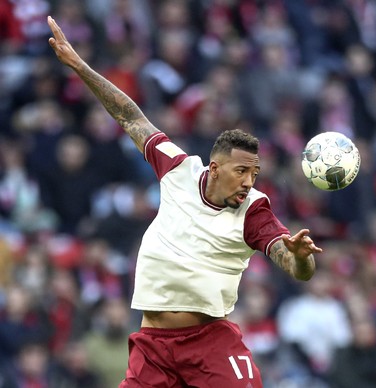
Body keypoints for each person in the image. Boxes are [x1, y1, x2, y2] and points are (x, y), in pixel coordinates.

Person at [47, 15, 322, 388]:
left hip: (209, 344)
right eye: (241, 171)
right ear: (214, 167)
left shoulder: (253, 209)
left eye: (254, 173)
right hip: (153, 346)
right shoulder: (180, 170)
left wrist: (302, 258)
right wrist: (80, 67)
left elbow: (291, 263)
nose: (249, 181)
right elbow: (131, 117)